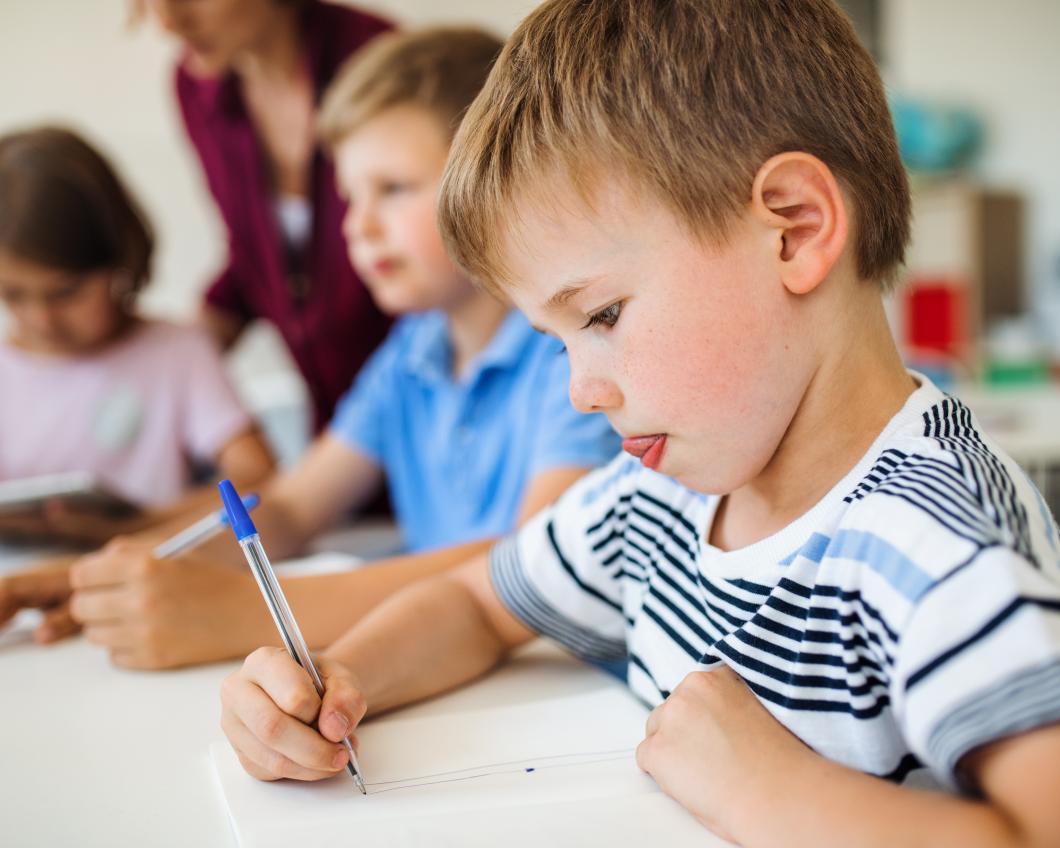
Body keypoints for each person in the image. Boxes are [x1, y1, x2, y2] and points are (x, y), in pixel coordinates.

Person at [217, 2, 1060, 845]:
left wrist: (767, 790)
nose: (580, 393)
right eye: (557, 343)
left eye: (603, 316)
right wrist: (334, 682)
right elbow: (476, 604)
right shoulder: (654, 497)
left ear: (794, 230)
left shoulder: (942, 544)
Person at [48, 27, 620, 671]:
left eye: (392, 188)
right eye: (349, 197)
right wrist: (96, 578)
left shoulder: (569, 351)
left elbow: (528, 566)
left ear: (492, 183)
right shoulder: (409, 353)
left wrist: (240, 611)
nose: (357, 226)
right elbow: (291, 509)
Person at [0, 126, 273, 637]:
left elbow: (258, 478)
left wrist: (136, 524)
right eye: (12, 295)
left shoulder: (177, 352)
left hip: (147, 588)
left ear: (119, 260)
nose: (41, 319)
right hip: (18, 608)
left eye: (64, 292)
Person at [150, 0, 393, 430]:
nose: (168, 21)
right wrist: (165, 361)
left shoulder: (379, 62)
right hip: (331, 419)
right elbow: (254, 258)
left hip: (418, 402)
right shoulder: (196, 88)